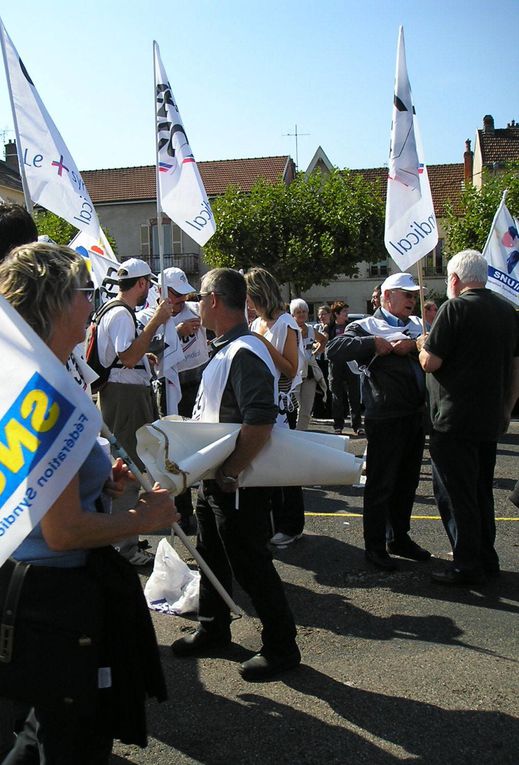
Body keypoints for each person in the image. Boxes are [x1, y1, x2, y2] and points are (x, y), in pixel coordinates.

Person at [0, 242, 179, 764]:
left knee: (41, 737)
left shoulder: (28, 377)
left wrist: (95, 485)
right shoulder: (44, 392)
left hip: (33, 587)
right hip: (56, 601)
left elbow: (38, 492)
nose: (93, 303)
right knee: (70, 742)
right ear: (56, 302)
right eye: (86, 292)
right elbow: (61, 533)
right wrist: (144, 518)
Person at [171, 268, 300, 681]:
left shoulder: (243, 350)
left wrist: (231, 470)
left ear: (213, 301)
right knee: (211, 552)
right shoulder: (230, 347)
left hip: (237, 482)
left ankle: (282, 646)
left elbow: (260, 421)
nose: (195, 306)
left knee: (250, 563)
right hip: (219, 478)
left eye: (199, 298)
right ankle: (213, 628)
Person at [418, 250, 519, 585]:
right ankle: (485, 557)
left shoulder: (455, 308)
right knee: (480, 491)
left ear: (455, 279)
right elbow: (516, 369)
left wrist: (422, 344)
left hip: (453, 419)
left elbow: (431, 362)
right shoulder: (508, 311)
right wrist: (507, 406)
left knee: (456, 494)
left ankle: (466, 564)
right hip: (490, 417)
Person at [327, 273, 430, 571]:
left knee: (407, 482)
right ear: (387, 297)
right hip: (384, 417)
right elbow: (335, 350)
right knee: (381, 484)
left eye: (413, 296)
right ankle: (374, 545)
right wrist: (373, 343)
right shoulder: (367, 325)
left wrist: (416, 344)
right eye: (406, 295)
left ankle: (399, 537)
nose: (412, 301)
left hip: (414, 414)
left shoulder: (418, 326)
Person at [96, 258, 174, 565]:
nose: (149, 291)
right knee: (127, 465)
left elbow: (126, 355)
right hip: (125, 395)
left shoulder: (112, 311)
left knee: (126, 464)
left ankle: (123, 540)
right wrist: (156, 321)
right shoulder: (121, 314)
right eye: (148, 284)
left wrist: (145, 356)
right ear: (141, 284)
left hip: (120, 392)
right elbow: (127, 357)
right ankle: (124, 548)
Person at [246, 267, 306, 546]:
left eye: (248, 295)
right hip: (261, 402)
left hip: (282, 405)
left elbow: (291, 369)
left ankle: (291, 524)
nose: (246, 302)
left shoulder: (285, 324)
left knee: (285, 466)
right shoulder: (256, 323)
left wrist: (262, 345)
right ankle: (271, 521)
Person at [326, 301, 363, 435]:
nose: (347, 314)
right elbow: (326, 345)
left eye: (347, 311)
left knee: (354, 395)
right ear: (336, 314)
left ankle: (357, 425)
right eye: (344, 312)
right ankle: (338, 425)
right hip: (335, 365)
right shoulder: (329, 328)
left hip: (351, 364)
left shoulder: (351, 327)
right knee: (337, 396)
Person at [290, 298, 327, 430]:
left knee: (306, 408)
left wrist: (314, 354)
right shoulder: (289, 330)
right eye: (298, 312)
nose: (302, 314)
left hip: (309, 372)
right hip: (294, 372)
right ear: (293, 314)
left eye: (304, 311)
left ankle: (301, 435)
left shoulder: (311, 329)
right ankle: (292, 434)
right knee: (293, 407)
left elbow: (323, 340)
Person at [313, 304, 332, 418]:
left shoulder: (331, 327)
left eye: (323, 314)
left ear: (329, 314)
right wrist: (318, 343)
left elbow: (324, 342)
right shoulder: (317, 327)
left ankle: (329, 410)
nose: (321, 317)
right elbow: (315, 342)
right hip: (318, 360)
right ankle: (318, 410)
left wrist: (318, 343)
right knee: (318, 386)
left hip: (328, 360)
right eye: (319, 314)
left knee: (328, 386)